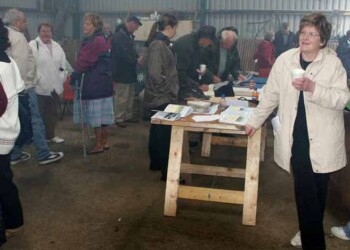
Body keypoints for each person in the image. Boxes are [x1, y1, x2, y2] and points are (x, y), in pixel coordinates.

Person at [245, 13, 350, 249]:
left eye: (312, 34)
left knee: (319, 193)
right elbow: (271, 94)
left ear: (322, 40)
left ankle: (306, 232)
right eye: (303, 32)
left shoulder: (333, 64)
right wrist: (255, 121)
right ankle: (314, 243)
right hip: (296, 139)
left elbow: (342, 98)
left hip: (324, 140)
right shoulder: (285, 61)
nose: (305, 37)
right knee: (306, 195)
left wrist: (314, 88)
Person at [3, 8, 64, 165]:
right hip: (23, 87)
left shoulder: (6, 35)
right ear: (16, 22)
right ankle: (43, 153)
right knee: (35, 120)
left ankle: (15, 153)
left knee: (16, 120)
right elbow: (21, 65)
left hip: (10, 88)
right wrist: (22, 86)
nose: (26, 23)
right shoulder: (18, 38)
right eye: (24, 20)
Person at [144, 13, 179, 181]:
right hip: (161, 97)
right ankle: (167, 172)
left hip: (159, 95)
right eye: (175, 28)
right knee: (164, 135)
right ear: (170, 27)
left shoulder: (160, 43)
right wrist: (169, 89)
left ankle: (156, 162)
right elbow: (155, 74)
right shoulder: (158, 45)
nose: (176, 31)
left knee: (157, 131)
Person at [74, 12, 114, 154]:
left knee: (97, 116)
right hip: (104, 82)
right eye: (84, 23)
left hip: (95, 82)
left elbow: (83, 61)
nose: (84, 25)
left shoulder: (94, 41)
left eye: (88, 23)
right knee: (103, 115)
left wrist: (75, 73)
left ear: (95, 26)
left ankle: (98, 144)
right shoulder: (101, 38)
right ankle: (104, 141)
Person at [0, 17, 24, 245]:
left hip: (1, 132)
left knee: (3, 181)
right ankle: (14, 222)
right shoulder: (8, 61)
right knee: (5, 179)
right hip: (8, 130)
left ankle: (13, 223)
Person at [29, 23, 67, 144]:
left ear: (52, 33)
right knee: (39, 114)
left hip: (55, 87)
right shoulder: (33, 45)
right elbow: (31, 65)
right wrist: (40, 79)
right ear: (38, 32)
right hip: (39, 88)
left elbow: (63, 64)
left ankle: (50, 136)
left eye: (49, 31)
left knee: (52, 114)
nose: (46, 33)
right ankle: (38, 138)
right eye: (44, 31)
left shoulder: (57, 46)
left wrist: (62, 77)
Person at [111, 16, 143, 128]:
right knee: (122, 96)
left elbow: (131, 51)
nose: (137, 28)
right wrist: (136, 60)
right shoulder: (119, 36)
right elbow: (122, 54)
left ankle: (127, 116)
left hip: (129, 71)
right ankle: (118, 118)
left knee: (129, 95)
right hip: (121, 71)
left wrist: (138, 57)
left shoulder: (127, 36)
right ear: (131, 23)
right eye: (137, 25)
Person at [173, 25, 216, 100]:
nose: (210, 44)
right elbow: (180, 73)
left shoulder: (198, 45)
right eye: (210, 41)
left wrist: (200, 81)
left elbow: (195, 67)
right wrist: (197, 86)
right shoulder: (186, 46)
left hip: (187, 84)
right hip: (178, 87)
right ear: (204, 39)